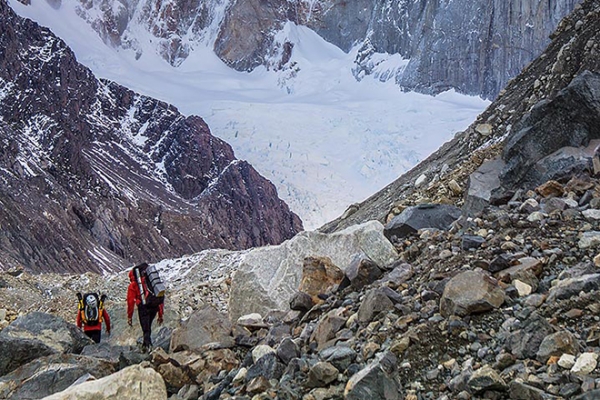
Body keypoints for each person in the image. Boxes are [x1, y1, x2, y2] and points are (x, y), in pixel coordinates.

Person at [126, 263, 164, 352]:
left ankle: (147, 348)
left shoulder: (133, 285)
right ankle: (147, 346)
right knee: (148, 327)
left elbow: (130, 301)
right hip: (154, 306)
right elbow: (160, 296)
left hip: (143, 307)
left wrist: (129, 316)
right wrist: (160, 314)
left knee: (145, 329)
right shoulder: (151, 282)